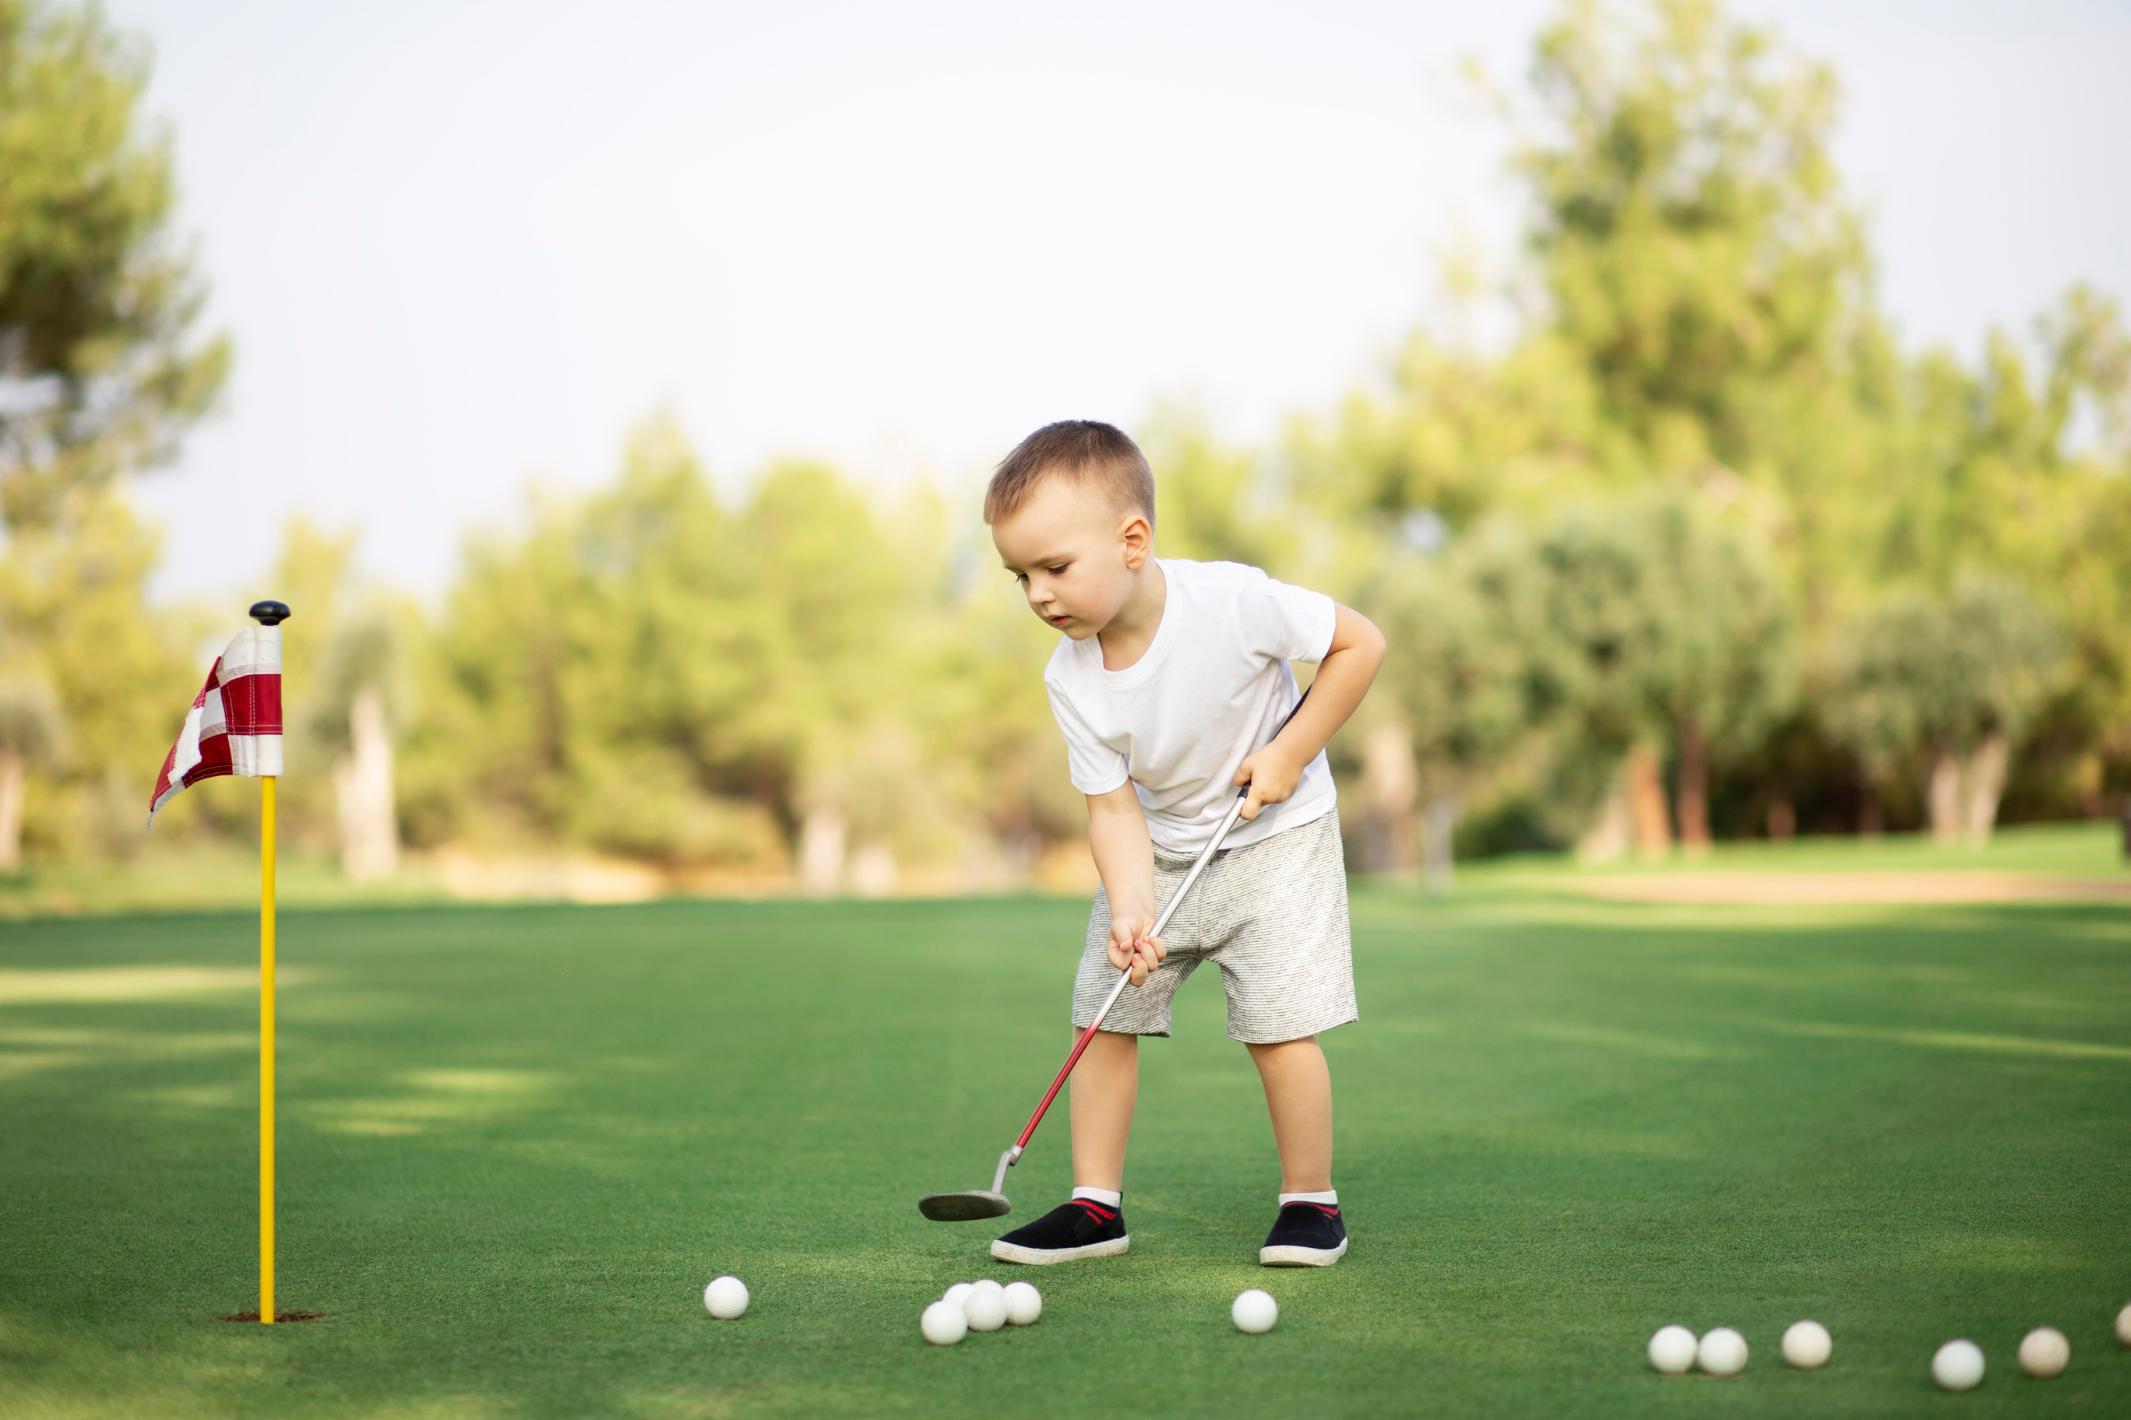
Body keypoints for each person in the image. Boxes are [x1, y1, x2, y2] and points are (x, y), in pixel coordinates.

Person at [982, 419, 1386, 1267]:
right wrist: (1130, 906)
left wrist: (1289, 750)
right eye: (1020, 575)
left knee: (1278, 1024)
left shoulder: (1233, 603)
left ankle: (1310, 1203)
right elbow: (1111, 809)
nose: (1037, 594)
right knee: (1101, 1015)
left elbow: (1359, 644)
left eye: (1054, 567)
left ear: (1132, 541)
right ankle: (1095, 1207)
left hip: (1276, 837)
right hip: (1161, 850)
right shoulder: (1070, 677)